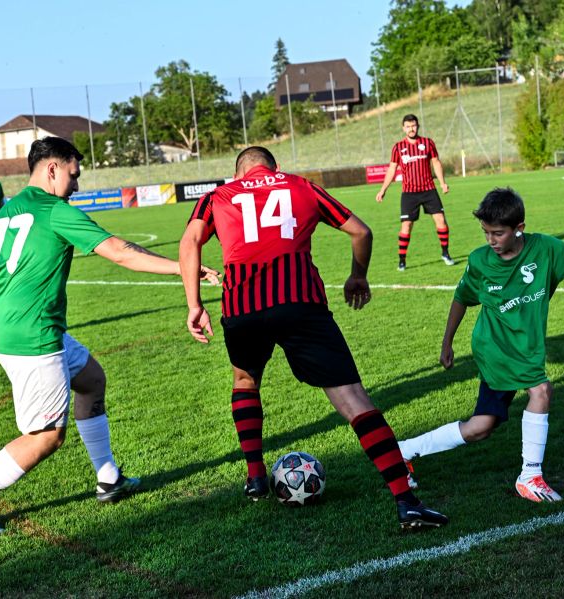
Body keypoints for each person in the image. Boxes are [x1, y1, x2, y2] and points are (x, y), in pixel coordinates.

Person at [0, 137, 218, 538]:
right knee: (46, 436)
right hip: (34, 336)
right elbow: (121, 253)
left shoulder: (7, 211)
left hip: (22, 329)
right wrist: (184, 267)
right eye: (74, 175)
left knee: (91, 380)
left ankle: (108, 478)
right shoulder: (55, 211)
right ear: (52, 168)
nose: (76, 185)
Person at [179, 146, 448, 530]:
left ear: (239, 174)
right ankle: (406, 502)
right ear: (275, 168)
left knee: (245, 380)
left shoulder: (217, 196)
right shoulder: (299, 186)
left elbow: (190, 243)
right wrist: (358, 276)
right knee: (354, 401)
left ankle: (255, 476)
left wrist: (194, 303)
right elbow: (361, 231)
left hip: (242, 308)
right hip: (300, 303)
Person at [398, 187, 564, 503]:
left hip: (523, 347)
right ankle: (530, 477)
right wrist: (447, 342)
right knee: (541, 391)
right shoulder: (480, 261)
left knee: (481, 426)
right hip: (496, 346)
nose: (491, 241)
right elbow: (461, 299)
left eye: (498, 233)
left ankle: (402, 451)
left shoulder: (545, 249)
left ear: (519, 229)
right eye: (486, 233)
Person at [375, 114, 452, 270]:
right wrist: (383, 189)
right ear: (403, 128)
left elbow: (436, 163)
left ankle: (445, 253)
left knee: (441, 221)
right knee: (407, 226)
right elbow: (392, 169)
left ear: (418, 126)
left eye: (414, 125)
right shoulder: (398, 147)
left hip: (429, 190)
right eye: (408, 126)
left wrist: (442, 183)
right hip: (409, 193)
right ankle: (402, 260)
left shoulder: (428, 143)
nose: (411, 129)